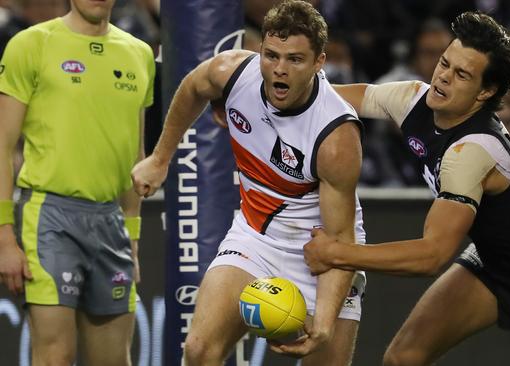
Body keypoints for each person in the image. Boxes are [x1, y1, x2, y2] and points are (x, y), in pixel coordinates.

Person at [305, 12, 510, 366]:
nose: (442, 77)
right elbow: (322, 100)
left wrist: (336, 253)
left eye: (461, 75)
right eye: (445, 63)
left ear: (485, 92)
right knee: (402, 359)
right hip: (492, 262)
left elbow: (430, 256)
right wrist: (261, 91)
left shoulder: (471, 152)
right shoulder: (414, 99)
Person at [130, 1, 365, 364]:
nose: (279, 70)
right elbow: (193, 87)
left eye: (295, 60)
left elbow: (341, 240)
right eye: (271, 56)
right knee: (198, 350)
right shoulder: (234, 73)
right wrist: (160, 158)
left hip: (322, 247)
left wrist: (324, 321)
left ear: (320, 62)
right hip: (256, 236)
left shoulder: (336, 137)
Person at [0, 0, 155, 364]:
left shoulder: (140, 53)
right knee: (55, 356)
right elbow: (3, 147)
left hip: (111, 224)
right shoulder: (30, 44)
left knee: (115, 360)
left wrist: (132, 239)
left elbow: (137, 157)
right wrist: (4, 235)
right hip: (50, 218)